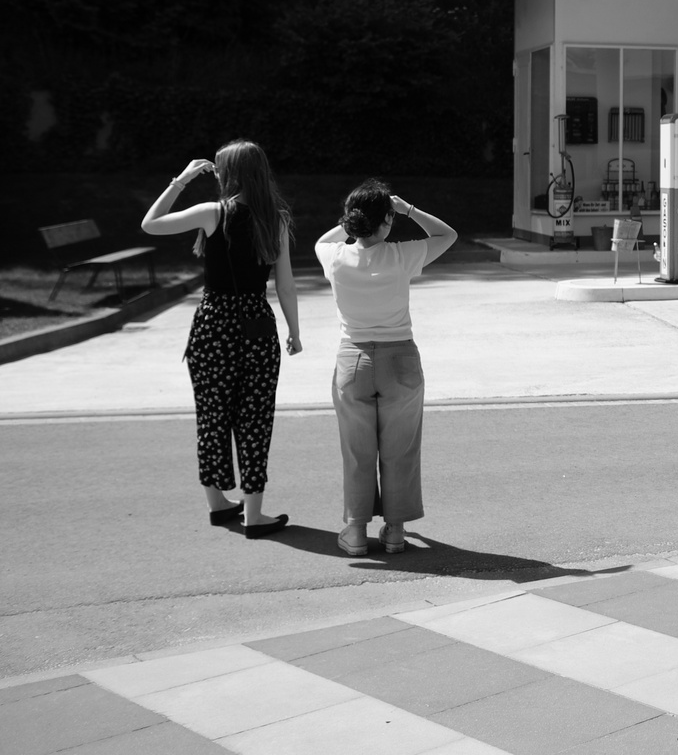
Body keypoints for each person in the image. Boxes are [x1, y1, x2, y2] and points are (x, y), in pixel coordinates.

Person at [141, 139, 302, 538]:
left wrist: (181, 180)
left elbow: (150, 223)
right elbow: (285, 285)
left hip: (213, 326)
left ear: (227, 174)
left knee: (212, 416)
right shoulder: (276, 219)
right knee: (255, 420)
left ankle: (216, 505)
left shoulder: (213, 213)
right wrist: (294, 331)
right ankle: (253, 513)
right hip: (257, 325)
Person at [315, 180, 456, 557]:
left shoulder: (332, 255)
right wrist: (406, 208)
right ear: (387, 222)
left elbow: (329, 238)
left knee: (357, 451)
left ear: (352, 221)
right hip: (401, 359)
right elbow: (447, 233)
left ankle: (356, 531)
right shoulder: (401, 255)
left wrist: (355, 218)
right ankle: (394, 532)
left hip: (353, 359)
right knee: (401, 450)